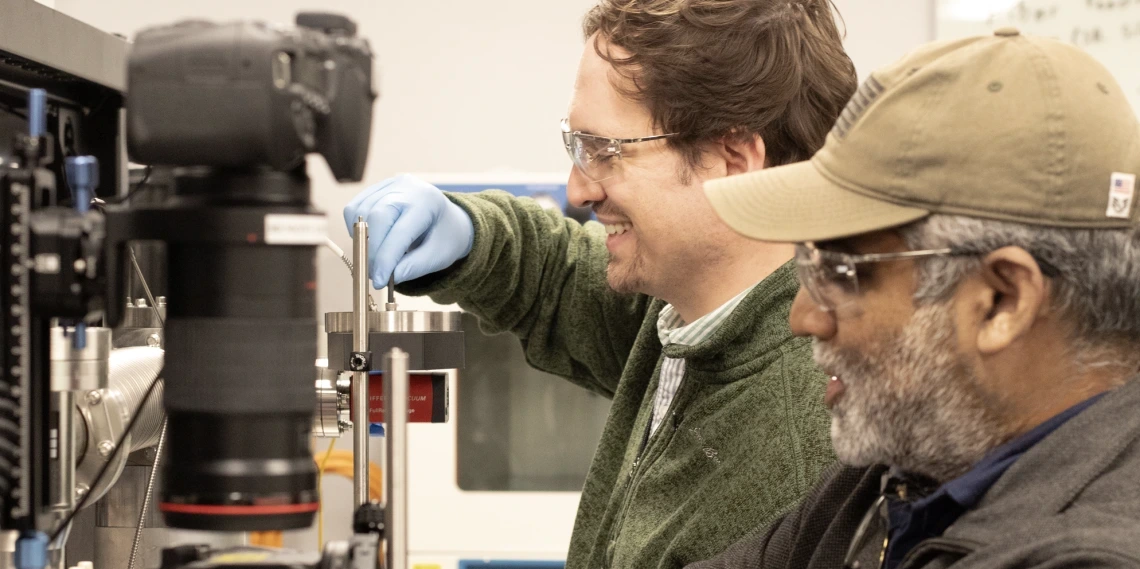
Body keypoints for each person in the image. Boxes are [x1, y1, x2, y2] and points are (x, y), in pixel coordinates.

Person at [342, 1, 858, 568]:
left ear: (732, 158)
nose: (578, 191)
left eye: (604, 152)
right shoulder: (689, 314)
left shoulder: (799, 441)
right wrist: (469, 233)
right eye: (577, 146)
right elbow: (561, 279)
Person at [690, 27, 1140, 569]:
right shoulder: (900, 471)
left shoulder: (1093, 554)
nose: (802, 316)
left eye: (840, 269)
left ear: (1001, 301)